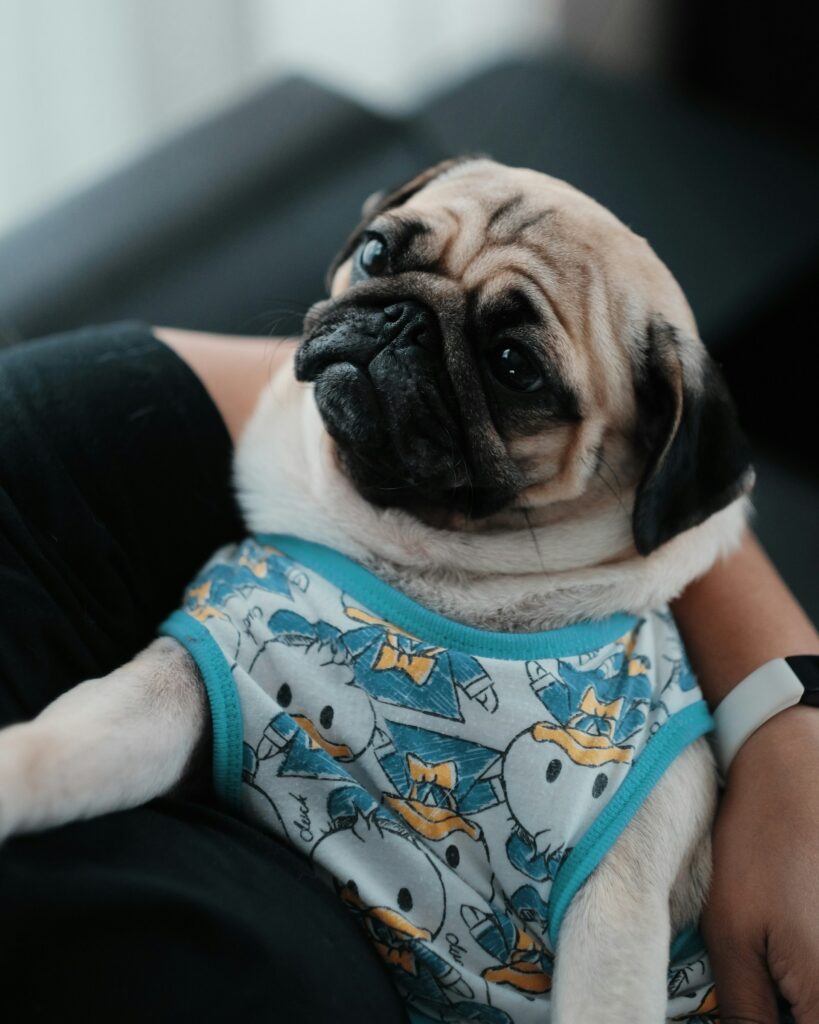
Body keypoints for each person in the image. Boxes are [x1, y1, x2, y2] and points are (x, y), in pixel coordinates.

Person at [0, 321, 816, 1023]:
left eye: (508, 367)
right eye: (383, 262)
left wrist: (789, 718)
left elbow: (655, 438)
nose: (399, 340)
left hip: (100, 480)